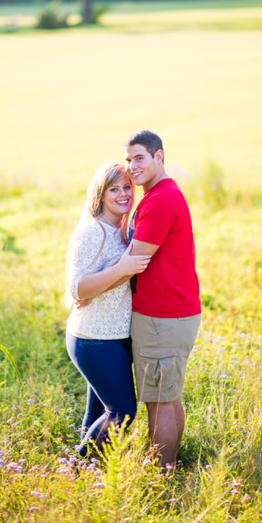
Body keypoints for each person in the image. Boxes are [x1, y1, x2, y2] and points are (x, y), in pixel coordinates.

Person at [124, 130, 201, 468]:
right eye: (128, 160)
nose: (132, 166)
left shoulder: (159, 200)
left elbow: (133, 261)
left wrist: (86, 288)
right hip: (171, 313)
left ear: (159, 156)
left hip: (162, 317)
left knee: (158, 400)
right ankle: (171, 465)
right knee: (167, 396)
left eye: (139, 157)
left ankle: (161, 475)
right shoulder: (160, 195)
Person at [64, 162, 150, 457]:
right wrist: (121, 269)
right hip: (93, 339)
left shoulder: (118, 231)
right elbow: (77, 289)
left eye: (127, 187)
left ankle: (86, 479)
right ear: (100, 195)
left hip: (113, 337)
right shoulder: (92, 232)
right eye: (114, 189)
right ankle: (76, 467)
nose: (123, 194)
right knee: (123, 411)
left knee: (97, 411)